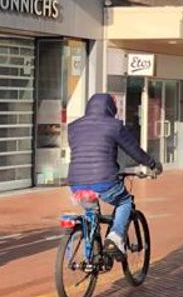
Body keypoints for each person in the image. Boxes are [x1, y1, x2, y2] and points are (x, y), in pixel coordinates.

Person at [67, 94, 161, 254]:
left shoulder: (73, 127)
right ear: (110, 108)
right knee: (125, 202)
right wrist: (152, 164)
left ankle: (91, 253)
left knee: (91, 212)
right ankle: (115, 237)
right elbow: (133, 150)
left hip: (76, 183)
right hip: (105, 181)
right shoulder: (114, 126)